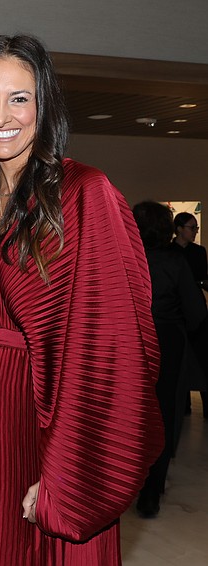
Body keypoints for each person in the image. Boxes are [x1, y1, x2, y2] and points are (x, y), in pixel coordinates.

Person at [0, 35, 163, 565]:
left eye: (19, 98)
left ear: (44, 105)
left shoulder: (85, 193)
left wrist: (72, 474)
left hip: (58, 418)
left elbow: (113, 345)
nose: (2, 115)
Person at [132, 201, 206, 518]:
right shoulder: (175, 262)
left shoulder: (121, 258)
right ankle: (151, 492)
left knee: (128, 412)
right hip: (166, 342)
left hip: (128, 340)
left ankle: (122, 482)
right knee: (163, 413)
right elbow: (196, 314)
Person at [171, 211, 208, 417]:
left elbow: (202, 277)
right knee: (180, 359)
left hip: (196, 311)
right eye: (192, 227)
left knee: (202, 357)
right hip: (177, 313)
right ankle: (183, 407)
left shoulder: (198, 252)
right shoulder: (169, 252)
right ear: (179, 229)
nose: (195, 231)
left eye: (196, 228)